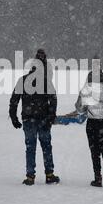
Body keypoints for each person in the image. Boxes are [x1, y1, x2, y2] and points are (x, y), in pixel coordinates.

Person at [9, 49, 60, 185]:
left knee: (30, 147)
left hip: (28, 119)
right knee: (46, 146)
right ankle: (49, 174)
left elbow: (14, 100)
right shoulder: (45, 81)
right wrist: (51, 116)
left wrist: (13, 118)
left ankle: (30, 176)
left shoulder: (23, 80)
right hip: (43, 119)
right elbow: (53, 100)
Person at [75, 68, 103, 187]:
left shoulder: (86, 90)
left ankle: (97, 178)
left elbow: (79, 108)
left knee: (94, 150)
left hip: (93, 123)